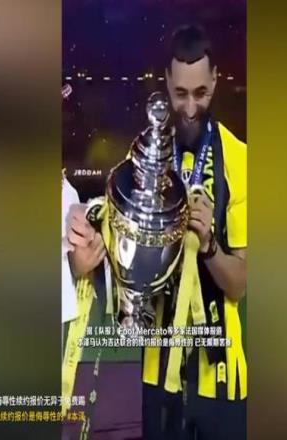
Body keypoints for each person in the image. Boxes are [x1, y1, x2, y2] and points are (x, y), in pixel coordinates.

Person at [66, 25, 247, 440]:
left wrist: (209, 245)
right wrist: (86, 238)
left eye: (200, 93)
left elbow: (239, 284)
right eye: (180, 93)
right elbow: (110, 251)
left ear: (216, 80)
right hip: (156, 374)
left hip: (221, 374)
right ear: (165, 82)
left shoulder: (239, 160)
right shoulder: (138, 163)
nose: (189, 107)